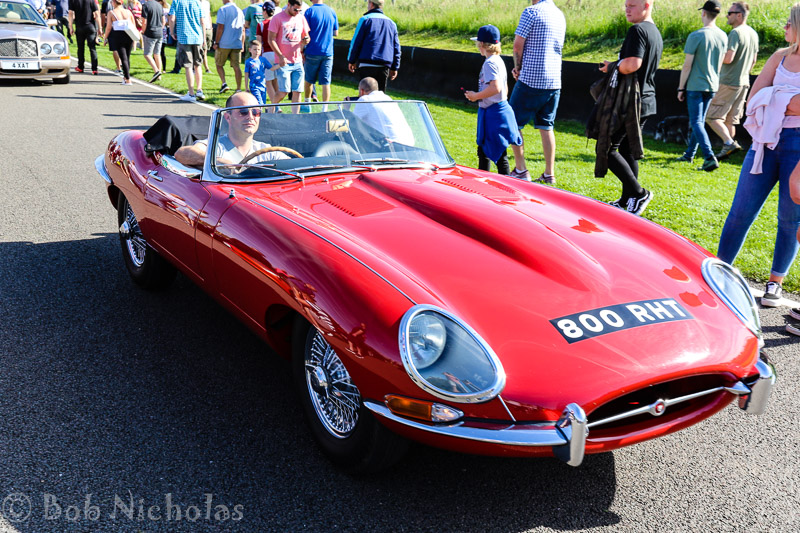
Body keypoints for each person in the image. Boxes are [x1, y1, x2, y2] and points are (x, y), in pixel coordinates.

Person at [717, 3, 800, 307]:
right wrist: (787, 100)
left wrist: (774, 97)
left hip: (798, 146)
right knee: (740, 211)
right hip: (764, 143)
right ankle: (720, 271)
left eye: (789, 22)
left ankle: (775, 282)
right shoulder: (779, 56)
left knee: (790, 219)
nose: (784, 27)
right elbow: (754, 99)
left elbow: (767, 97)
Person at [597, 0, 662, 215]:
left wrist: (612, 66)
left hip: (631, 101)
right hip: (645, 99)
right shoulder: (654, 31)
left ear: (646, 5)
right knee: (627, 150)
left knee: (607, 147)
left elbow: (633, 64)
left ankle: (639, 193)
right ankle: (627, 199)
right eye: (626, 5)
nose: (627, 9)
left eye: (632, 5)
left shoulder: (638, 30)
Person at [508, 0, 566, 184]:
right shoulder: (559, 14)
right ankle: (549, 173)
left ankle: (520, 169)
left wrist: (517, 68)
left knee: (512, 122)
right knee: (546, 126)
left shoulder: (531, 12)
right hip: (554, 80)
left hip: (532, 78)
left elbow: (517, 45)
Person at [676, 0, 727, 172]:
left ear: (703, 13)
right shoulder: (723, 36)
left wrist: (681, 87)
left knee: (696, 122)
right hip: (712, 85)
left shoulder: (696, 35)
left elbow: (687, 66)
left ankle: (709, 157)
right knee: (700, 122)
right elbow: (719, 64)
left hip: (695, 85)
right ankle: (689, 154)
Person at [175, 92, 290, 168]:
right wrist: (217, 161)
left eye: (256, 112)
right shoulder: (215, 147)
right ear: (228, 117)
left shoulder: (267, 151)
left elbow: (294, 166)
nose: (250, 117)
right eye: (243, 112)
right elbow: (182, 154)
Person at [464, 25, 522, 176]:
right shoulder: (498, 60)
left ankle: (492, 181)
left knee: (494, 153)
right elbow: (504, 89)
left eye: (478, 43)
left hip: (494, 114)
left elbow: (496, 88)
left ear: (482, 44)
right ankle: (488, 180)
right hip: (498, 110)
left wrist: (476, 96)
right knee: (490, 151)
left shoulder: (489, 63)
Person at [706, 2, 759, 160]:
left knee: (711, 117)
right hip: (743, 83)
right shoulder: (753, 33)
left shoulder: (736, 33)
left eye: (730, 13)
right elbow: (754, 60)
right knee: (730, 120)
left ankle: (729, 143)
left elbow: (728, 58)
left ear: (739, 15)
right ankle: (727, 151)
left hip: (728, 82)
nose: (727, 16)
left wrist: (713, 56)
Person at [347, 0, 400, 93]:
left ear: (371, 4)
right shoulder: (392, 23)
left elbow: (356, 42)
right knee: (380, 96)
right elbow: (396, 48)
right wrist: (395, 67)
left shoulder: (365, 19)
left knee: (365, 95)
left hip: (366, 64)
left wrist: (352, 60)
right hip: (384, 66)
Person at [268, 0, 310, 110]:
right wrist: (280, 56)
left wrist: (306, 40)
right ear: (288, 5)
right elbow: (271, 39)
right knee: (284, 91)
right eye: (295, 9)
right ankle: (270, 109)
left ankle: (295, 117)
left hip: (298, 60)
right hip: (283, 62)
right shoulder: (277, 18)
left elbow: (306, 36)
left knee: (298, 91)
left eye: (299, 10)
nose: (297, 12)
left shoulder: (301, 18)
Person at [352, 77, 414, 146]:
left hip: (390, 146)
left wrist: (346, 108)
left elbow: (351, 124)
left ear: (361, 91)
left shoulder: (364, 99)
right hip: (409, 143)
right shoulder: (388, 98)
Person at [170, 0, 205, 101]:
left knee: (188, 65)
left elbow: (172, 18)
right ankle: (199, 90)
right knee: (198, 65)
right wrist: (203, 38)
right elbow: (202, 21)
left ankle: (191, 93)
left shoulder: (177, 2)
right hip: (197, 37)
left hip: (184, 37)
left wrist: (172, 32)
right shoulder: (197, 2)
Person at [303, 0, 338, 104]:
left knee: (309, 80)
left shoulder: (309, 11)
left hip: (312, 50)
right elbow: (336, 32)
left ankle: (307, 104)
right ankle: (325, 107)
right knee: (326, 82)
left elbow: (304, 32)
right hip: (328, 52)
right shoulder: (331, 11)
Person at [213, 0, 245, 93]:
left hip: (224, 42)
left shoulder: (223, 9)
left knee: (219, 64)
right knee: (236, 67)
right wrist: (242, 44)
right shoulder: (240, 10)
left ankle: (224, 83)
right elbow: (243, 30)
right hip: (237, 43)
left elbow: (220, 27)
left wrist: (216, 42)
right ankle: (238, 88)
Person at [103, 0, 136, 85]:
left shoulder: (111, 13)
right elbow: (133, 25)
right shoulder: (128, 12)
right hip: (129, 35)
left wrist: (105, 37)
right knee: (127, 57)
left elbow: (108, 27)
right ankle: (126, 77)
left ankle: (128, 79)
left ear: (114, 2)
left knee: (123, 58)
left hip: (118, 36)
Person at [69, 0, 102, 74]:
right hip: (90, 26)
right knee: (92, 48)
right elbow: (97, 14)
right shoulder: (91, 0)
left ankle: (80, 67)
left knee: (80, 48)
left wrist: (71, 27)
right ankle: (94, 69)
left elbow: (70, 13)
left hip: (79, 27)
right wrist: (100, 28)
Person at [256, 1, 279, 103]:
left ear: (265, 11)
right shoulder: (277, 23)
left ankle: (275, 106)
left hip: (266, 54)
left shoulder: (261, 24)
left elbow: (259, 42)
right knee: (276, 80)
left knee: (268, 81)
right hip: (277, 54)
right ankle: (278, 104)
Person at [245, 39, 277, 105]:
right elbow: (246, 75)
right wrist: (246, 87)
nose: (257, 51)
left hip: (263, 85)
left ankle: (258, 111)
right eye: (255, 49)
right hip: (254, 86)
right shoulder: (248, 62)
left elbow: (271, 68)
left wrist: (280, 65)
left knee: (263, 103)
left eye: (259, 49)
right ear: (250, 50)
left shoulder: (263, 60)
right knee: (260, 102)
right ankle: (260, 110)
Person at [140, 0, 164, 82]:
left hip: (150, 32)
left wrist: (143, 31)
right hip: (159, 32)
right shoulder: (159, 5)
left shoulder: (145, 5)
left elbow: (144, 22)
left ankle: (156, 71)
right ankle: (159, 75)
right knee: (157, 54)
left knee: (147, 54)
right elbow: (163, 20)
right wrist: (160, 28)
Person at [200, 0, 212, 73]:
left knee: (205, 50)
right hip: (200, 28)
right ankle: (205, 68)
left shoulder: (207, 3)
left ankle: (205, 68)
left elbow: (209, 15)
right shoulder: (195, 3)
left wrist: (211, 27)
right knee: (202, 50)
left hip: (208, 28)